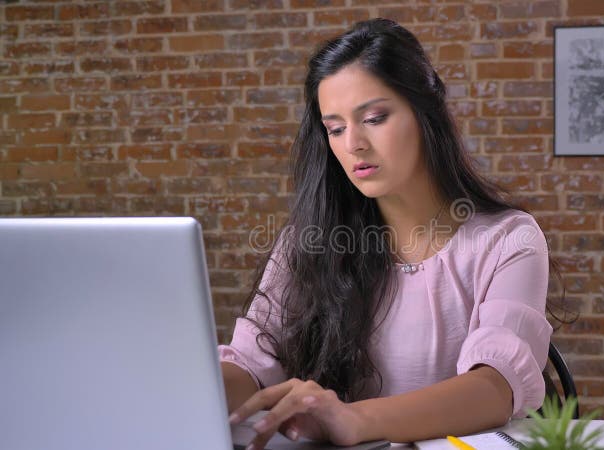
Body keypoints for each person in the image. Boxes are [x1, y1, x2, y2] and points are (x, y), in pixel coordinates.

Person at [220, 18, 555, 449]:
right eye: (335, 128)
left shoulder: (508, 240)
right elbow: (249, 364)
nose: (353, 143)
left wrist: (350, 419)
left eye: (374, 118)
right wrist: (188, 386)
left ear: (424, 113)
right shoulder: (307, 241)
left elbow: (496, 386)